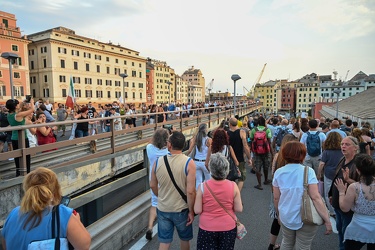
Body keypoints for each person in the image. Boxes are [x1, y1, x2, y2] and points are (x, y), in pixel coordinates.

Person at [1, 167, 91, 250]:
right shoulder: (63, 214)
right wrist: (76, 221)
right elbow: (84, 245)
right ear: (55, 190)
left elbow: (5, 246)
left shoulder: (13, 214)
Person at [273, 141, 332, 250]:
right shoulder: (308, 171)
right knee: (303, 246)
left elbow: (276, 197)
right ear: (302, 154)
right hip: (306, 216)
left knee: (286, 243)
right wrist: (327, 220)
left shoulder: (278, 172)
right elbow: (315, 197)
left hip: (286, 214)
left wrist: (278, 214)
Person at [150, 131, 196, 250]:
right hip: (181, 208)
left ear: (169, 145)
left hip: (163, 207)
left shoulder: (158, 162)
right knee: (184, 239)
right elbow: (191, 191)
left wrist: (160, 196)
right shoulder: (189, 163)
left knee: (164, 242)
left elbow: (152, 185)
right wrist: (191, 211)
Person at [194, 153, 243, 250]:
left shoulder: (203, 186)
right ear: (226, 169)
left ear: (211, 169)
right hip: (228, 228)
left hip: (207, 227)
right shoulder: (233, 186)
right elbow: (239, 208)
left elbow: (197, 210)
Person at [334, 154, 375, 250]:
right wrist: (348, 180)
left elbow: (344, 208)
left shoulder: (354, 187)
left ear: (358, 170)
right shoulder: (356, 186)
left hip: (358, 227)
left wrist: (341, 192)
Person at [329, 136, 361, 250]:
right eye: (342, 144)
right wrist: (331, 194)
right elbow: (335, 178)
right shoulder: (342, 159)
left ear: (356, 148)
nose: (343, 146)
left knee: (347, 233)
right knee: (340, 229)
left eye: (347, 144)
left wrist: (348, 180)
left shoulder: (359, 164)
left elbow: (365, 186)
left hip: (349, 207)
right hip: (338, 204)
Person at [268, 134, 299, 250]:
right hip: (291, 192)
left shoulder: (277, 156)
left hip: (277, 189)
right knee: (292, 217)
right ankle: (289, 244)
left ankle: (271, 244)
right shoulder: (296, 158)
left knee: (277, 219)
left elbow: (273, 172)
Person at [145, 128, 169, 240]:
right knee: (167, 202)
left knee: (154, 203)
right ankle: (165, 227)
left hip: (153, 179)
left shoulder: (150, 149)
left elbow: (149, 142)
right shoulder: (168, 151)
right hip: (166, 179)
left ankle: (150, 227)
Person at [6, 98, 34, 176]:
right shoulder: (18, 115)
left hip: (14, 138)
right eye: (17, 104)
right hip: (22, 138)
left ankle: (18, 173)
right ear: (15, 106)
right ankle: (26, 173)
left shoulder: (9, 115)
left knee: (17, 157)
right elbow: (32, 110)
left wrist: (22, 103)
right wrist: (32, 102)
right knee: (26, 157)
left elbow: (18, 110)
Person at [317, 132, 343, 216]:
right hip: (340, 174)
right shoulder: (342, 151)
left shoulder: (326, 151)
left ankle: (332, 211)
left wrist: (319, 174)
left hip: (328, 174)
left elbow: (321, 164)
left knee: (328, 192)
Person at [227, 117, 252, 192]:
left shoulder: (227, 133)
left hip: (229, 158)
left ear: (230, 124)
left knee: (231, 177)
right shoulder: (242, 132)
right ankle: (237, 194)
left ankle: (231, 193)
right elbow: (245, 146)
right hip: (240, 158)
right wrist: (249, 158)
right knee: (241, 177)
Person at [250, 116, 273, 190]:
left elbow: (251, 139)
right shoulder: (267, 130)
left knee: (257, 167)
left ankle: (259, 184)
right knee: (266, 166)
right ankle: (266, 180)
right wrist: (272, 153)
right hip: (266, 151)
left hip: (257, 152)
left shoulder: (254, 130)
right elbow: (269, 141)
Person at [187, 123, 212, 189]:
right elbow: (211, 151)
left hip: (196, 161)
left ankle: (198, 195)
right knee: (208, 180)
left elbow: (190, 150)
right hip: (205, 161)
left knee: (198, 181)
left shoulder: (196, 139)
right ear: (206, 130)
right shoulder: (209, 140)